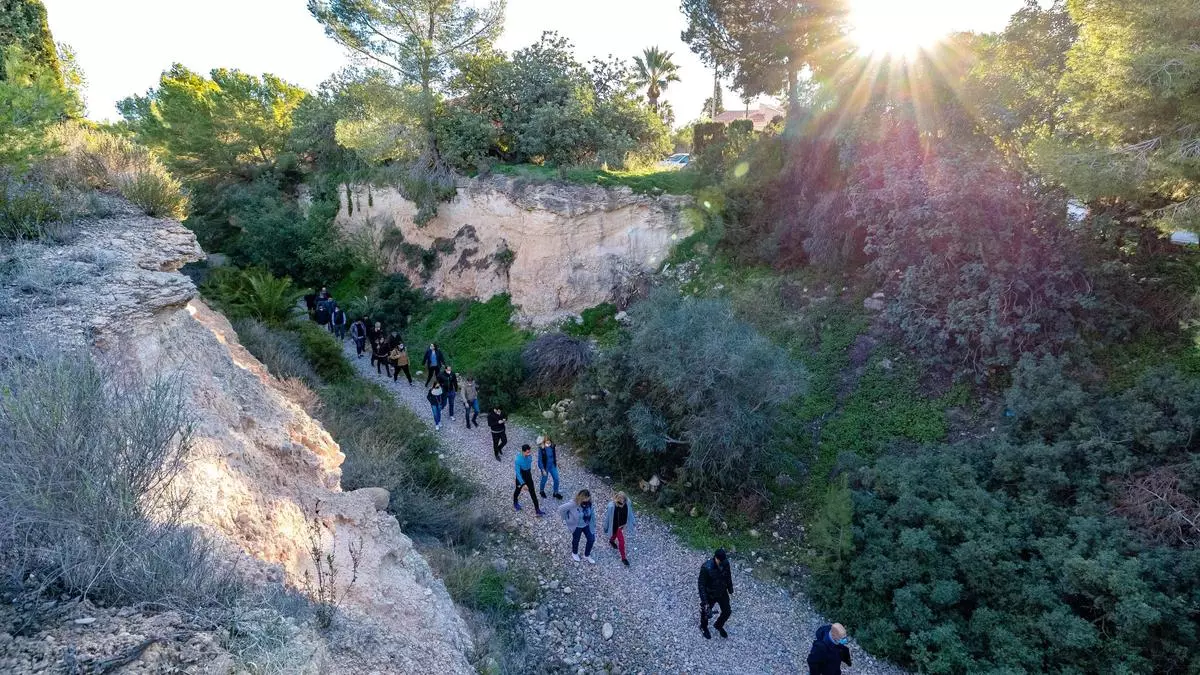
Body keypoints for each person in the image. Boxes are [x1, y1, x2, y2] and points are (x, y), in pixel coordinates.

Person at [698, 548, 734, 639]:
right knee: (705, 612)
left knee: (727, 611)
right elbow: (701, 585)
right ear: (716, 558)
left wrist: (730, 588)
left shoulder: (725, 563)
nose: (722, 563)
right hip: (710, 594)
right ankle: (703, 627)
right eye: (720, 561)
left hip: (722, 591)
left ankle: (718, 625)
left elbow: (728, 575)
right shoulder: (706, 568)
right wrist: (705, 601)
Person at [558, 489, 597, 564]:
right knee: (576, 540)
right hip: (577, 526)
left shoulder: (589, 503)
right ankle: (574, 553)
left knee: (591, 539)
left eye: (588, 498)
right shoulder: (573, 504)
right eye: (585, 498)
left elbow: (592, 513)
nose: (587, 499)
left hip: (587, 524)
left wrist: (594, 523)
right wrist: (566, 518)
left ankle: (587, 555)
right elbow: (561, 508)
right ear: (581, 497)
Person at [603, 491, 636, 567]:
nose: (622, 500)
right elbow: (608, 518)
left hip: (622, 524)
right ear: (617, 498)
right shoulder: (612, 506)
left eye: (623, 499)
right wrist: (606, 527)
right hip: (616, 526)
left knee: (615, 533)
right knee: (622, 541)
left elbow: (630, 512)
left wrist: (633, 521)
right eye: (620, 499)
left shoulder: (627, 503)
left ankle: (611, 541)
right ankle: (623, 558)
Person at [513, 444, 545, 515]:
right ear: (523, 451)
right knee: (517, 490)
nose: (529, 453)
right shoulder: (518, 460)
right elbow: (518, 473)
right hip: (520, 477)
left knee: (533, 492)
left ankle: (537, 510)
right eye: (527, 452)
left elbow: (529, 467)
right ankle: (515, 502)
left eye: (529, 452)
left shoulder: (529, 457)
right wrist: (523, 484)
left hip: (528, 476)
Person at [538, 436, 562, 500]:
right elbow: (540, 460)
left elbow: (554, 456)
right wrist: (543, 470)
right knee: (544, 479)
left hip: (552, 466)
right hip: (545, 467)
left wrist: (557, 463)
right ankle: (541, 491)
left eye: (549, 443)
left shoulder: (552, 446)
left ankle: (555, 493)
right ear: (544, 442)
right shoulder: (541, 449)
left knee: (556, 479)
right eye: (547, 443)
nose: (548, 444)